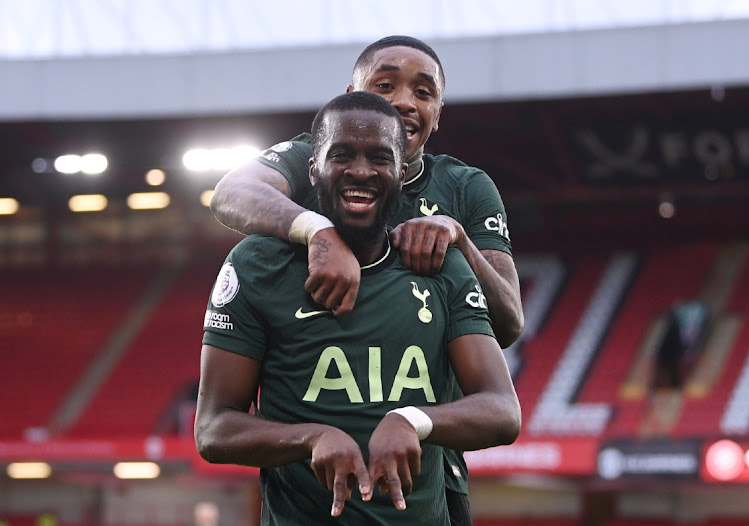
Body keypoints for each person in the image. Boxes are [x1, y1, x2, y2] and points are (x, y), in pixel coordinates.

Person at [209, 35, 524, 525]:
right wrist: (318, 231)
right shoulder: (312, 152)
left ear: (439, 112)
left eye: (423, 92)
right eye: (384, 84)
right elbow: (230, 194)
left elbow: (507, 325)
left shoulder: (465, 187)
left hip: (428, 465)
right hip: (310, 483)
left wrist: (459, 242)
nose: (403, 101)